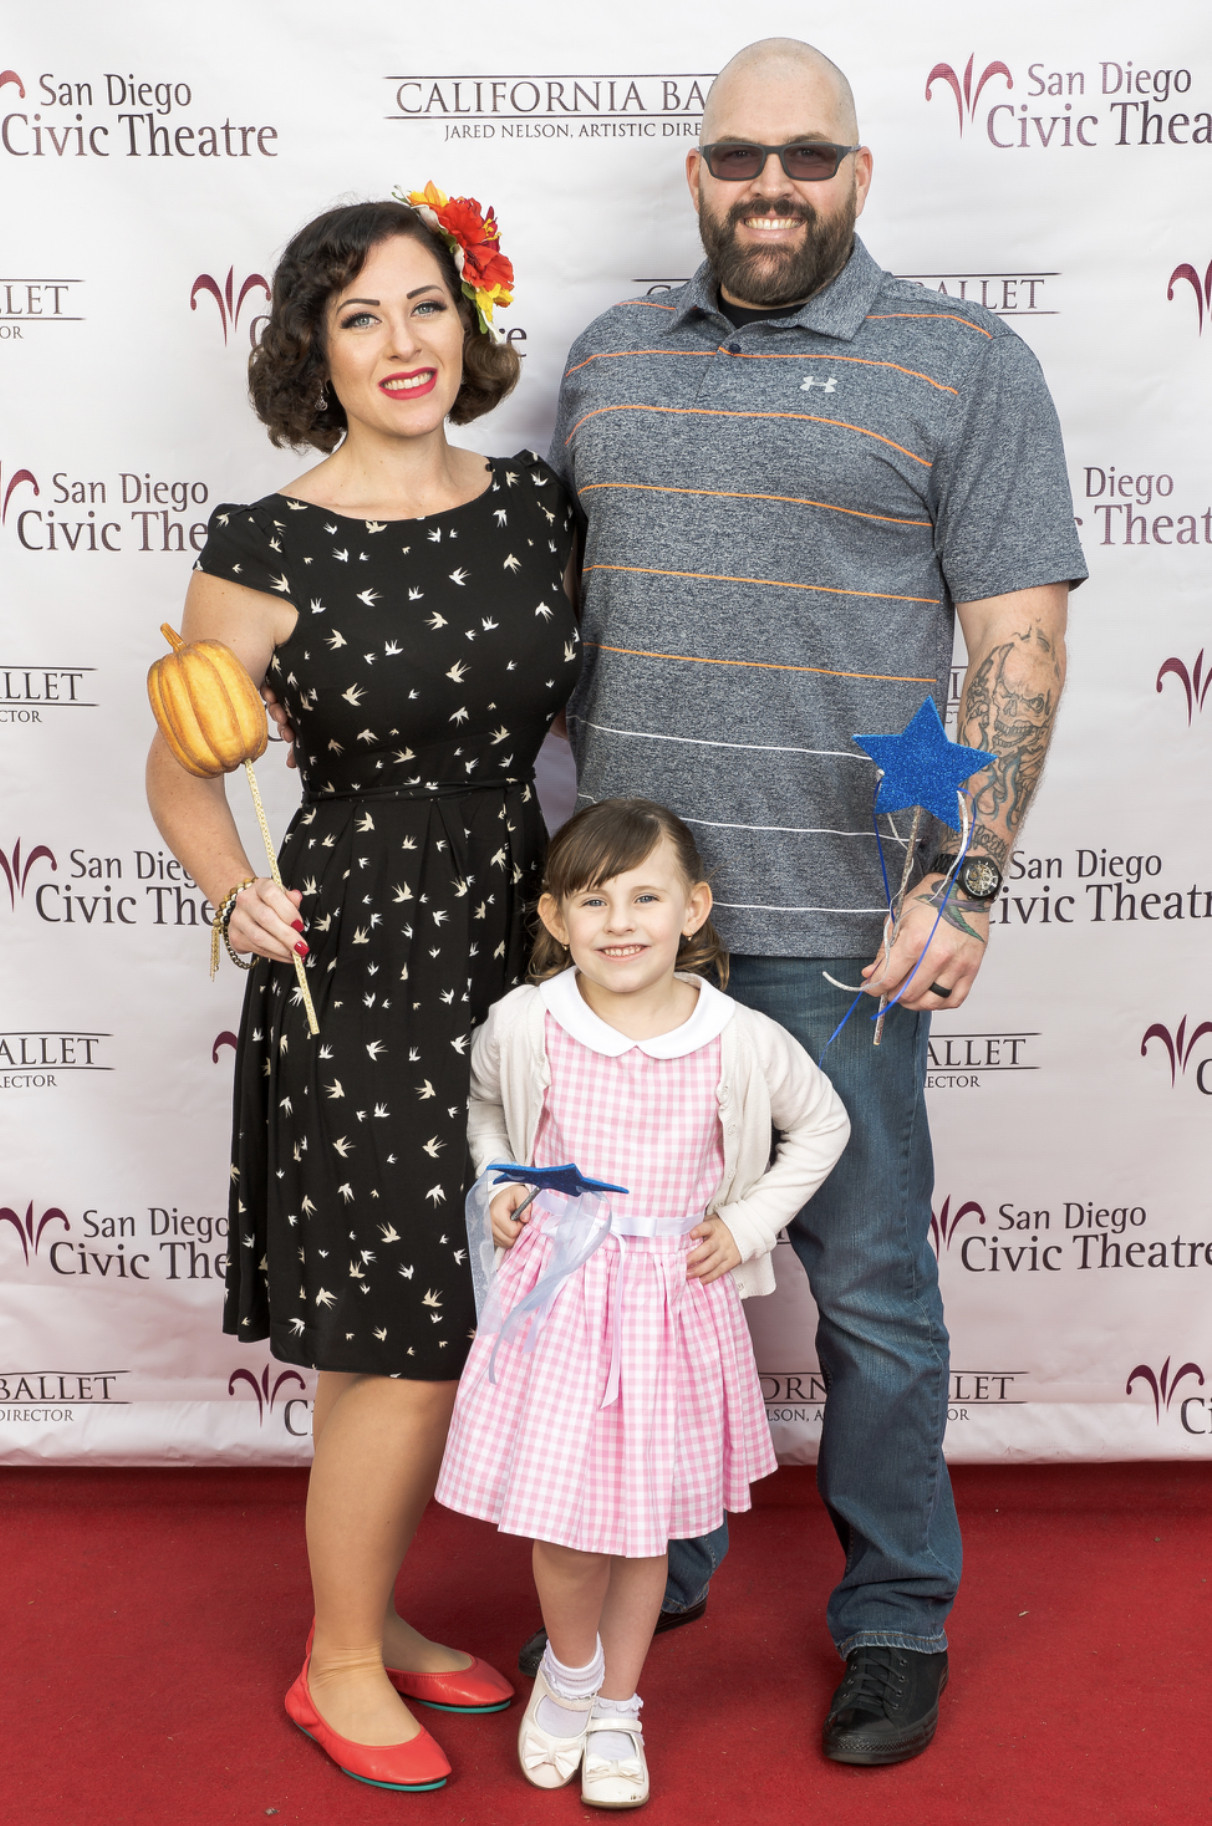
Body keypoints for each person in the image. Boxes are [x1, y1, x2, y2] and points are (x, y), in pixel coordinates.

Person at [535, 37, 1087, 1765]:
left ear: (858, 173)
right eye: (737, 156)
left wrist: (969, 879)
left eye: (807, 155)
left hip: (836, 931)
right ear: (696, 173)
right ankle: (666, 1552)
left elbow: (1017, 638)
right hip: (629, 935)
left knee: (868, 1296)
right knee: (635, 1271)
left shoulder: (963, 363)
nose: (769, 185)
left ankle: (897, 1611)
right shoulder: (608, 355)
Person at [146, 192, 581, 1792]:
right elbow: (182, 765)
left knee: (412, 1310)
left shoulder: (535, 504)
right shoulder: (265, 543)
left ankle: (369, 1611)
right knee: (409, 1319)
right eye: (359, 317)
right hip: (362, 957)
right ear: (312, 353)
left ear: (468, 322)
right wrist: (233, 891)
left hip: (515, 932)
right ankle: (335, 1664)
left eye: (425, 305)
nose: (402, 344)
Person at [434, 797, 849, 1805]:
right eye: (593, 900)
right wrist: (501, 1177)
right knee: (567, 1523)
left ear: (693, 908)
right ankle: (571, 1675)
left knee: (641, 1526)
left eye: (645, 897)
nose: (620, 922)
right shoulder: (527, 1021)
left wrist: (749, 1223)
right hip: (562, 1299)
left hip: (671, 1305)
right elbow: (485, 1107)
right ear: (554, 916)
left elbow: (823, 1124)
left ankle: (620, 1702)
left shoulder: (739, 1037)